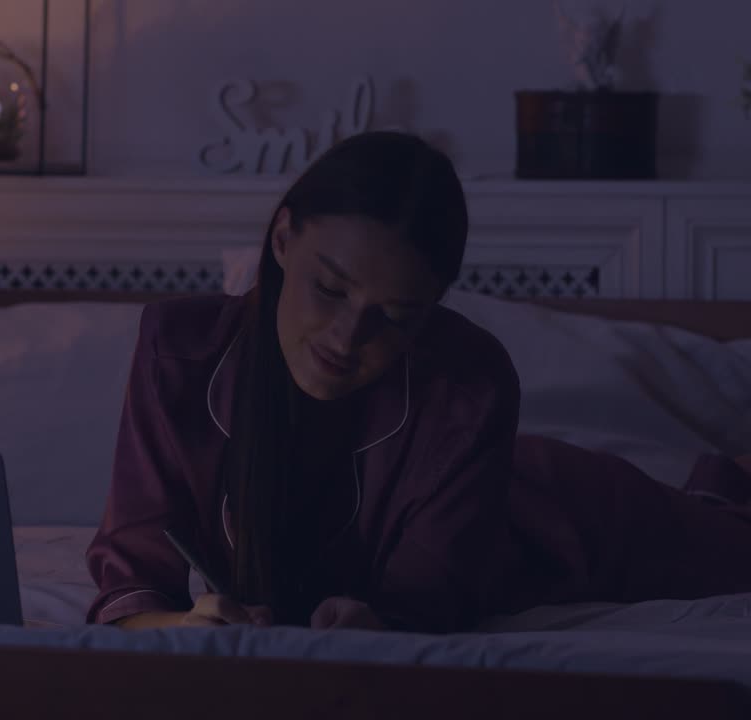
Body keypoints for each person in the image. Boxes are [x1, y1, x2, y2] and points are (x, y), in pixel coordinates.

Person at [85, 130, 751, 634]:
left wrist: (382, 621)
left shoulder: (468, 383)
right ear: (282, 239)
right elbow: (133, 574)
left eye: (395, 317)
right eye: (329, 288)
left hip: (550, 513)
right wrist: (183, 627)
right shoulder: (179, 350)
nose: (347, 338)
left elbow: (433, 595)